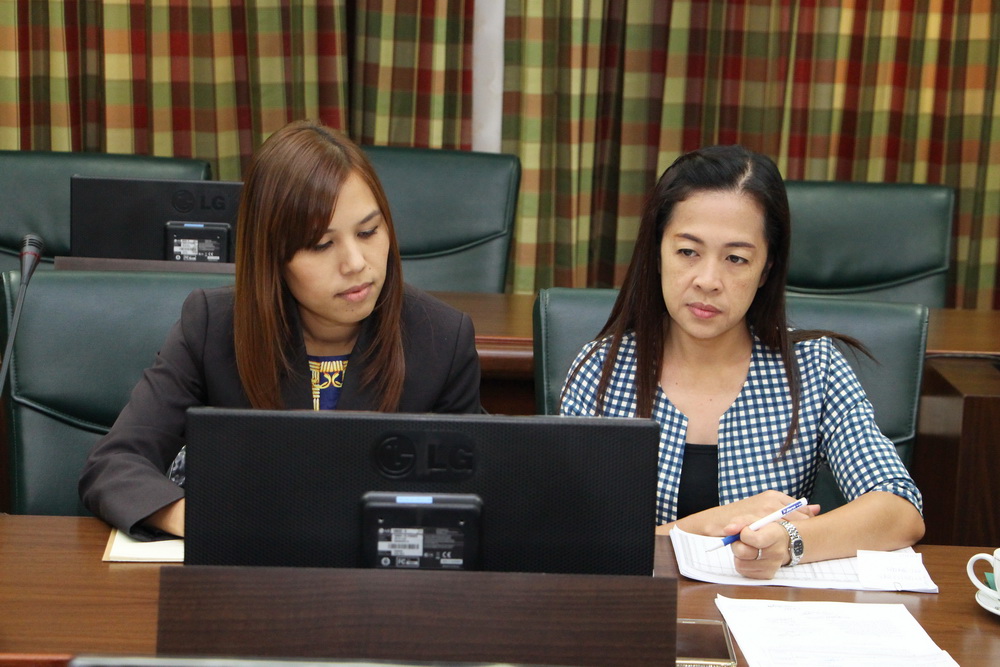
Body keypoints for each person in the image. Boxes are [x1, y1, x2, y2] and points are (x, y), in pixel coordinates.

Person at [79, 120, 482, 539]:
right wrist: (201, 519)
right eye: (322, 245)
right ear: (272, 256)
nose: (356, 263)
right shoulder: (214, 326)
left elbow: (473, 493)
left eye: (368, 231)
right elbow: (114, 464)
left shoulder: (441, 338)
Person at [559, 145, 924, 579]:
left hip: (766, 609)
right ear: (657, 252)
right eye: (688, 252)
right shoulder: (602, 370)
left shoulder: (814, 369)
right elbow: (565, 538)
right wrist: (705, 525)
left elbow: (899, 510)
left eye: (736, 259)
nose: (708, 281)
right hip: (634, 607)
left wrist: (789, 541)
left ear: (766, 269)